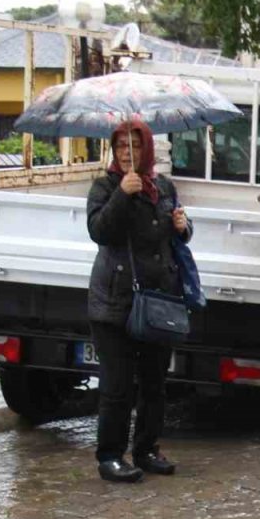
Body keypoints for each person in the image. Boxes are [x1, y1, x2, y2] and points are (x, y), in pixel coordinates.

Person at [86, 119, 192, 483]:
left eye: (133, 146)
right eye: (120, 147)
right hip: (114, 303)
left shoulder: (162, 187)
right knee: (117, 386)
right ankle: (110, 456)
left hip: (157, 302)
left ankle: (146, 448)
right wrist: (122, 195)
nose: (126, 153)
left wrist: (182, 225)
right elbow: (99, 231)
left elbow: (173, 239)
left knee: (153, 383)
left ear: (146, 149)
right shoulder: (105, 186)